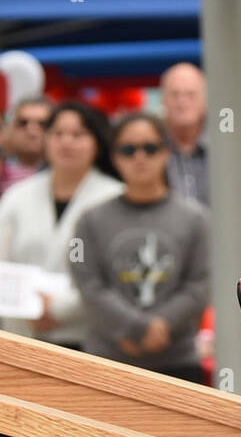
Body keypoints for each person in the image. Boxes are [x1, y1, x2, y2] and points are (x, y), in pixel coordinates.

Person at [69, 113, 211, 382]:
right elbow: (88, 285)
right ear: (114, 157)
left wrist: (161, 325)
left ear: (166, 152)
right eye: (128, 149)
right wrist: (135, 328)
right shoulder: (90, 220)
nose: (140, 157)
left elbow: (199, 285)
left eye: (150, 148)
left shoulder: (196, 219)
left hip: (178, 361)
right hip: (108, 361)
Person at [0, 100, 122, 347]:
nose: (66, 142)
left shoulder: (115, 198)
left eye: (78, 134)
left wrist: (60, 309)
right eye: (58, 133)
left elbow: (116, 275)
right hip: (23, 337)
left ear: (97, 143)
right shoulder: (16, 197)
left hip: (91, 341)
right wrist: (31, 305)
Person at [159, 63, 210, 207]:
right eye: (175, 94)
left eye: (190, 94)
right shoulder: (150, 147)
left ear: (205, 100)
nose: (182, 102)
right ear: (163, 99)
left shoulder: (224, 148)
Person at [0, 96, 51, 194]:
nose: (32, 131)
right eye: (23, 123)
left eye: (42, 124)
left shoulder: (63, 174)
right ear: (9, 128)